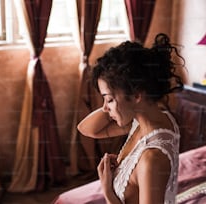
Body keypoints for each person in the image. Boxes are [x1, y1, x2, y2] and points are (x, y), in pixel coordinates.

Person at [53, 33, 184, 204]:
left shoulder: (152, 159)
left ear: (137, 94)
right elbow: (86, 129)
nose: (105, 108)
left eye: (109, 99)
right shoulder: (149, 120)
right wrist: (111, 100)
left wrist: (107, 191)